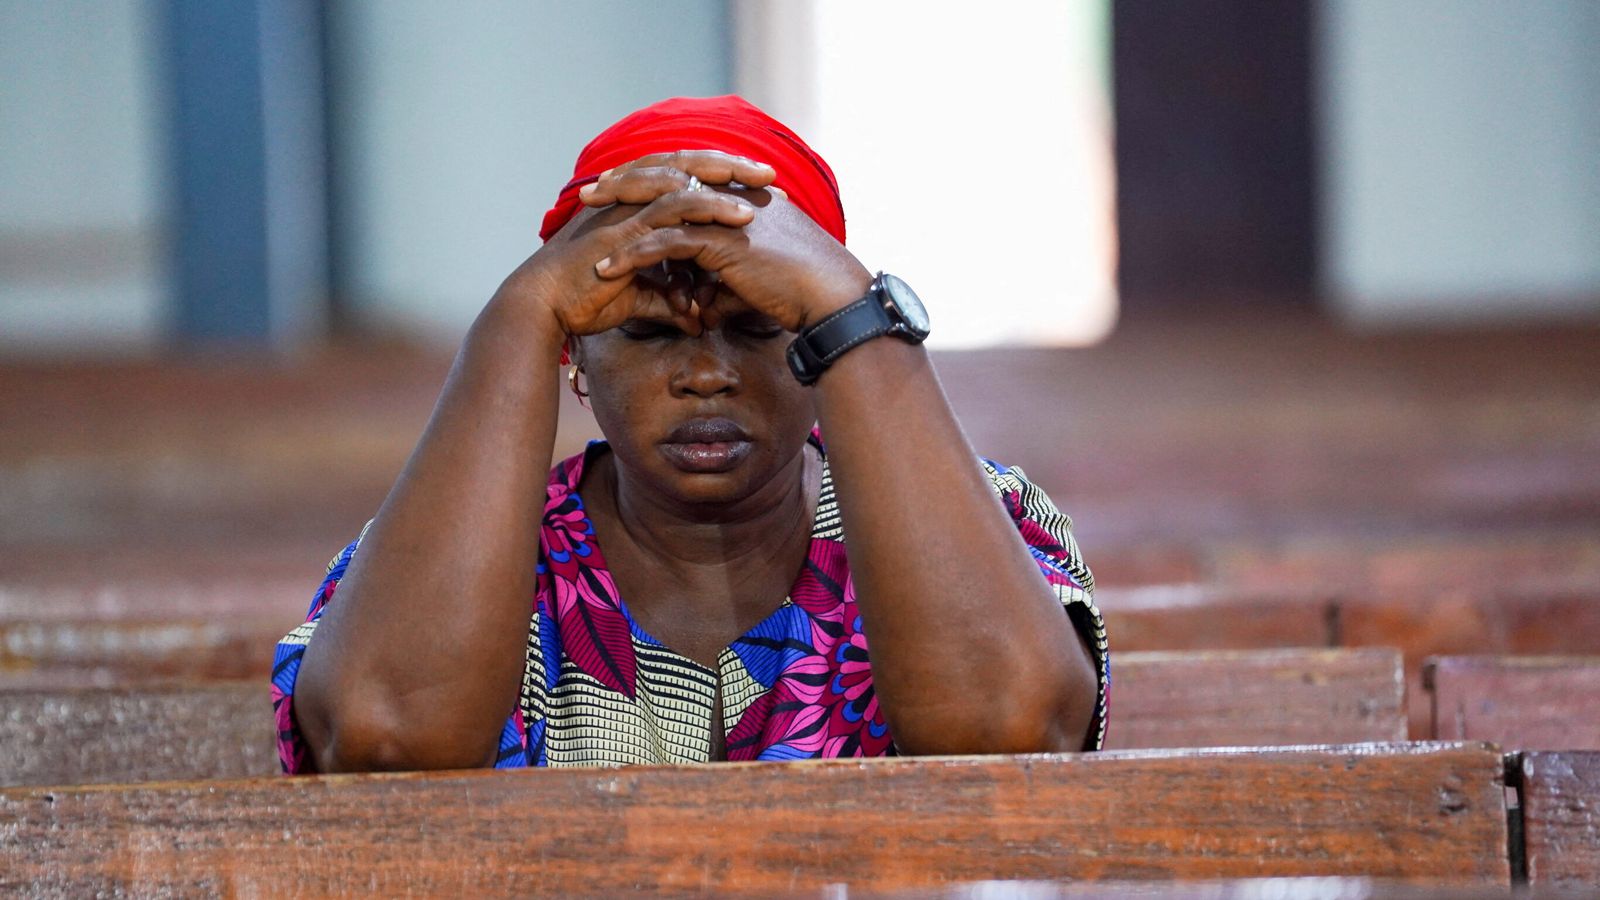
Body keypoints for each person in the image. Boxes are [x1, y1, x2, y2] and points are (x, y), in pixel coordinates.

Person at [271, 96, 1108, 772]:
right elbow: (385, 736)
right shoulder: (455, 542)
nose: (706, 374)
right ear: (574, 360)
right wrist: (520, 313)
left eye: (756, 330)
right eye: (647, 333)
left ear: (822, 353)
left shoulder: (984, 513)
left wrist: (854, 309)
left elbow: (1015, 733)